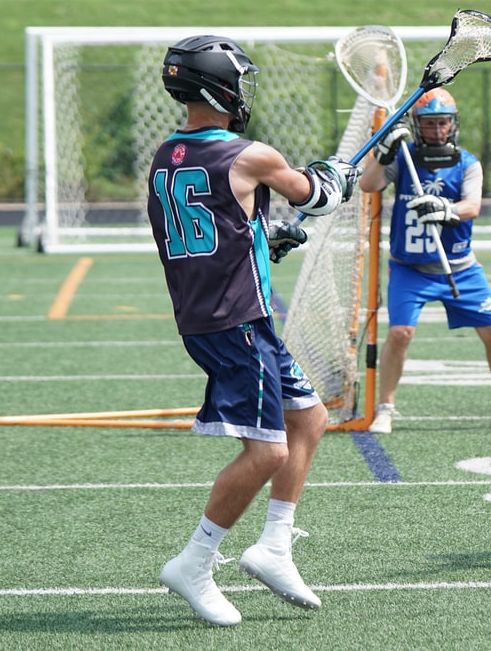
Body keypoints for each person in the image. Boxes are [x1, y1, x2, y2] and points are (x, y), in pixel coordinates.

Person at [148, 35, 358, 625]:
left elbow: (218, 225)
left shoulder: (166, 155)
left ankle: (274, 546)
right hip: (237, 322)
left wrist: (264, 241)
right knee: (267, 452)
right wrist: (335, 177)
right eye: (238, 82)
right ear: (221, 88)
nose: (245, 93)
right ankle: (194, 561)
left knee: (308, 418)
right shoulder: (251, 154)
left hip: (212, 316)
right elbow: (316, 196)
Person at [357, 88, 491, 434]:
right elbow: (368, 185)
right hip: (410, 268)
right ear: (417, 125)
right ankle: (386, 408)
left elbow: (472, 206)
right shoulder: (404, 158)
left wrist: (445, 209)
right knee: (400, 333)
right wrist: (384, 154)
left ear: (453, 124)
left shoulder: (467, 163)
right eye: (429, 123)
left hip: (460, 267)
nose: (436, 130)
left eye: (442, 122)